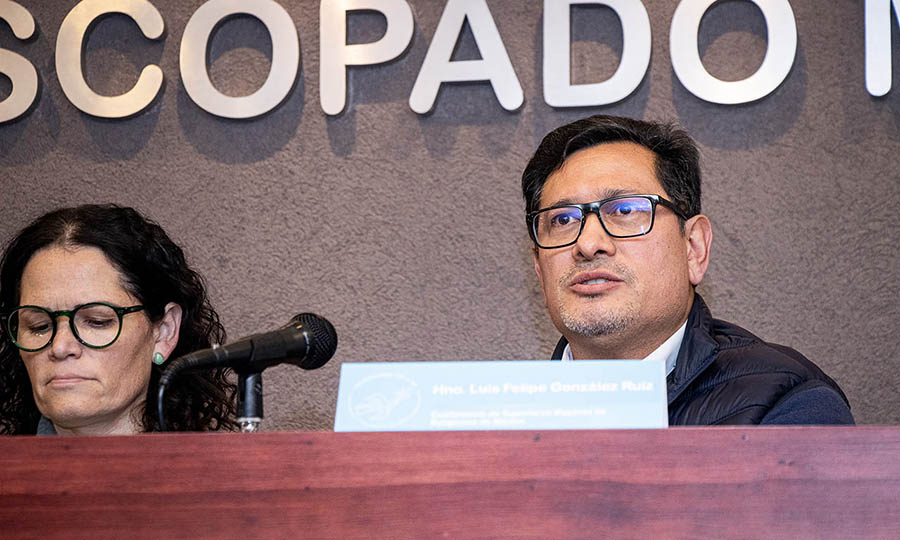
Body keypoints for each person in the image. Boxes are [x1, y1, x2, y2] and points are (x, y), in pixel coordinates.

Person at [522, 115, 853, 425]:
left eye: (625, 210)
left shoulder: (783, 402)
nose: (589, 243)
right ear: (539, 267)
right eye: (562, 219)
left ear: (694, 247)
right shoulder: (508, 415)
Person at [0, 204, 237, 435]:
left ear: (164, 332)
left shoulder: (226, 463)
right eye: (39, 326)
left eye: (97, 321)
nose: (60, 347)